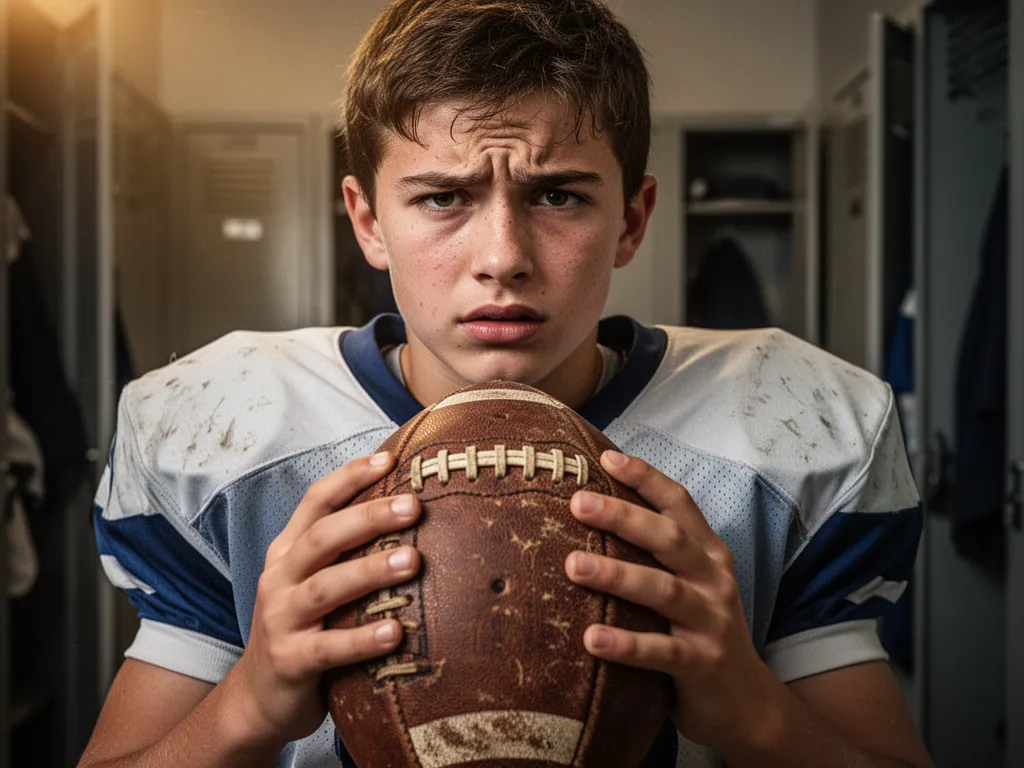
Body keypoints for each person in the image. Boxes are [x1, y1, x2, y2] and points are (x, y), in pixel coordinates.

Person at [78, 1, 933, 766]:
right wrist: (246, 707)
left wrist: (754, 714)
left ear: (632, 219)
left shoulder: (796, 423)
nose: (502, 259)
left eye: (557, 196)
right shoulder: (218, 431)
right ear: (368, 221)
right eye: (443, 198)